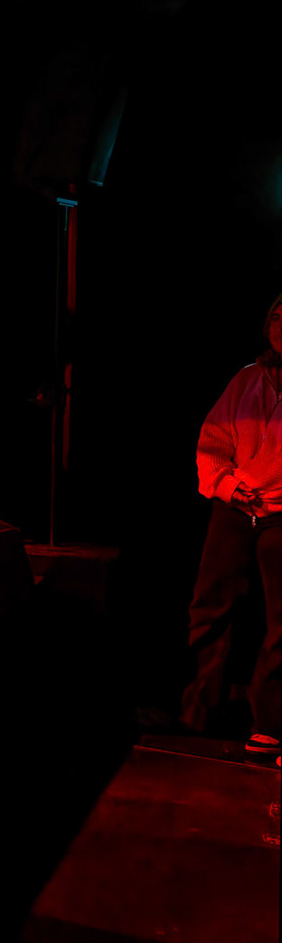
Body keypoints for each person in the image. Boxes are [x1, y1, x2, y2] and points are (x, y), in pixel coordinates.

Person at [178, 295, 282, 757]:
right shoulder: (248, 379)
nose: (281, 324)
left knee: (281, 619)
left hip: (281, 512)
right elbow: (213, 440)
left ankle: (273, 722)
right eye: (276, 316)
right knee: (211, 606)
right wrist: (228, 484)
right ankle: (200, 713)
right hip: (239, 505)